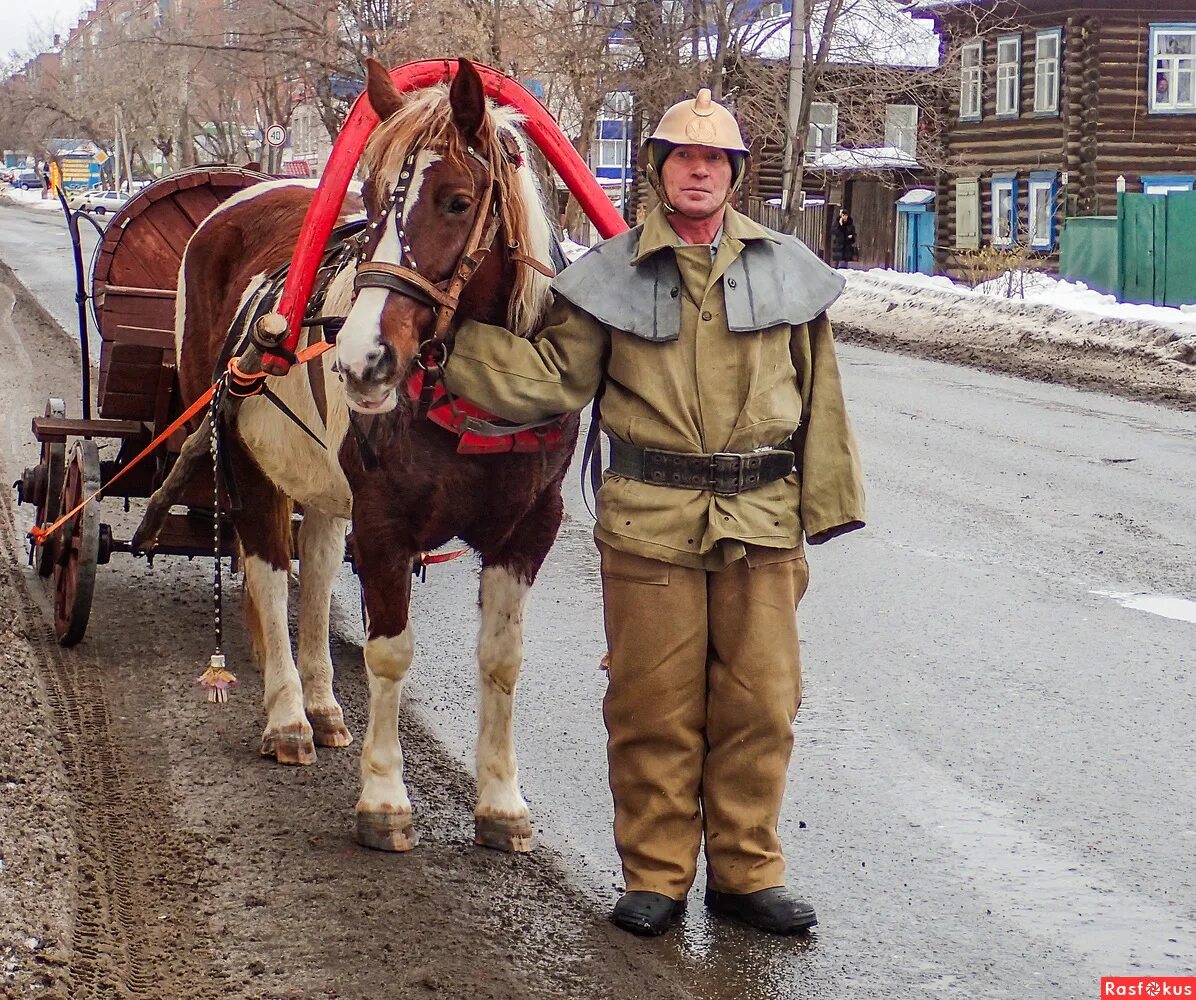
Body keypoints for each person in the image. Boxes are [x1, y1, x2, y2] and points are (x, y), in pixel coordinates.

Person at [443, 89, 865, 937]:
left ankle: (747, 872)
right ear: (659, 170)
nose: (699, 170)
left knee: (761, 703)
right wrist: (449, 344)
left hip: (762, 524)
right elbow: (555, 379)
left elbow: (822, 398)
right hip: (651, 523)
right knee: (651, 707)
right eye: (683, 157)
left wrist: (827, 506)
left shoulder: (787, 271)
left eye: (715, 159)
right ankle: (657, 877)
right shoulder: (610, 276)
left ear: (736, 175)